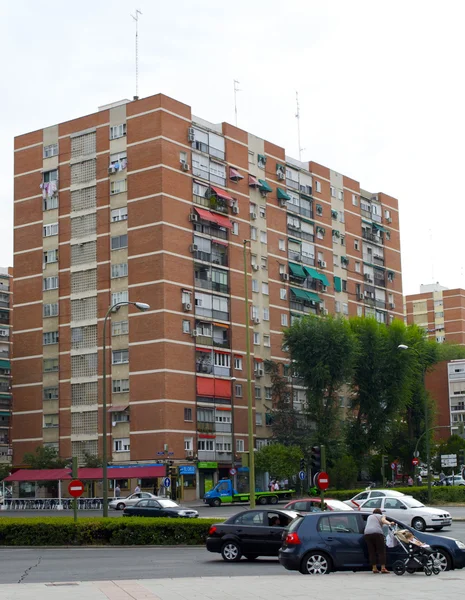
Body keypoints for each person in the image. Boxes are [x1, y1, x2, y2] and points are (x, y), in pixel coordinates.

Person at [364, 508, 394, 574]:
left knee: (371, 551)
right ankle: (383, 568)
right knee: (381, 551)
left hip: (367, 533)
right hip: (377, 533)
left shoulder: (369, 516)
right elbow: (383, 520)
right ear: (380, 513)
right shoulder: (382, 516)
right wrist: (390, 523)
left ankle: (374, 568)